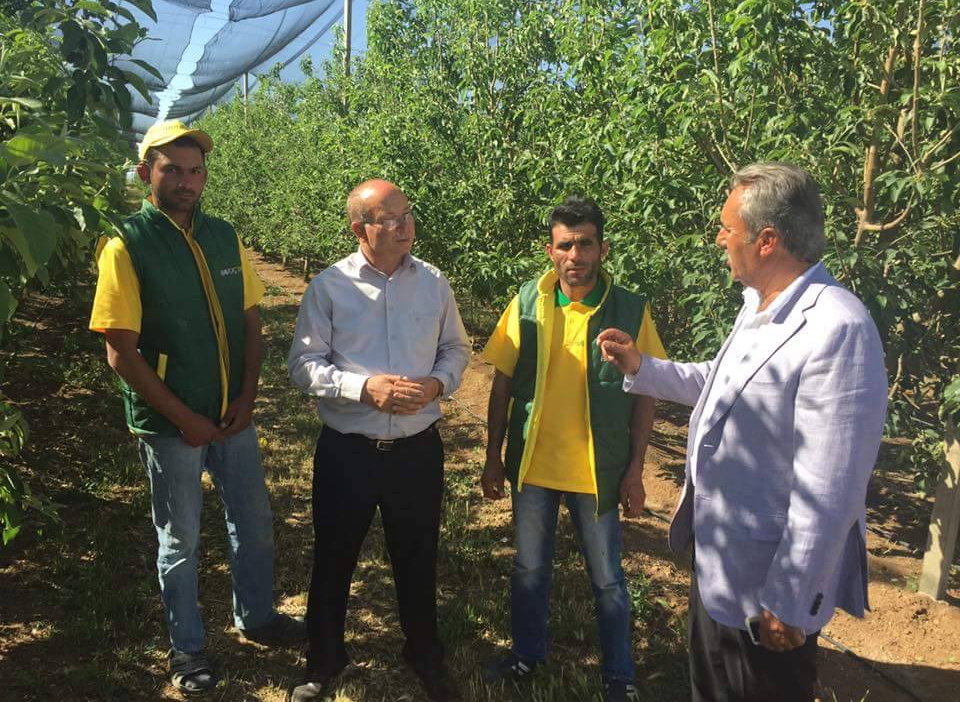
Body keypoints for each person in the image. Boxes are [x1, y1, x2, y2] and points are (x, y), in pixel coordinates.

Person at [598, 163, 888, 702]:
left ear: (767, 241)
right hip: (721, 568)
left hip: (766, 591)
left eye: (728, 228)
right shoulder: (758, 307)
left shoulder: (837, 328)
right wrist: (642, 367)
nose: (719, 239)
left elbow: (830, 487)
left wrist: (789, 599)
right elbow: (721, 384)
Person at [89, 120, 304, 696]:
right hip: (169, 425)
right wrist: (184, 418)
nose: (187, 181)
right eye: (173, 171)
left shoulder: (223, 235)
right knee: (180, 539)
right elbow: (120, 352)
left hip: (231, 415)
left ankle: (257, 616)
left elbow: (251, 323)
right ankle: (186, 649)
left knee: (254, 521)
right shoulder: (126, 244)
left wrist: (247, 397)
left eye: (196, 171)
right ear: (146, 173)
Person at [287, 179, 470, 702]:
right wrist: (362, 389)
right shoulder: (330, 287)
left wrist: (435, 385)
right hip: (349, 451)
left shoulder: (433, 282)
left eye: (406, 214)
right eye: (389, 218)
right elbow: (303, 363)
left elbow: (456, 349)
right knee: (334, 556)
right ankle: (324, 658)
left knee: (418, 554)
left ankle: (424, 653)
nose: (404, 225)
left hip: (416, 451)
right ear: (359, 229)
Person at [480, 196, 667, 702]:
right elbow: (502, 382)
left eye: (585, 244)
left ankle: (619, 675)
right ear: (550, 251)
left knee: (607, 579)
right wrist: (494, 456)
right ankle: (526, 655)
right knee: (529, 569)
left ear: (603, 249)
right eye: (565, 245)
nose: (575, 255)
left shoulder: (629, 309)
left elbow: (647, 392)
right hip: (535, 466)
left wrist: (635, 470)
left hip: (597, 471)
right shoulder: (528, 303)